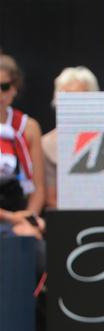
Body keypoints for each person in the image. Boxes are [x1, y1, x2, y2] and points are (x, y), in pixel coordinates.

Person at [41, 66, 100, 211]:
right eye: (66, 97)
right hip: (67, 220)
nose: (73, 104)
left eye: (80, 97)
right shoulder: (47, 144)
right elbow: (51, 198)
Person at [0, 54, 45, 239]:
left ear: (14, 88)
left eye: (4, 87)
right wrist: (12, 219)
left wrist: (30, 218)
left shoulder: (28, 127)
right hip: (10, 217)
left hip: (18, 210)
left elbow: (38, 188)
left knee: (34, 245)